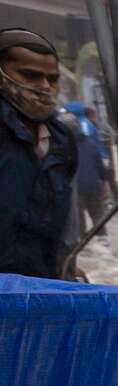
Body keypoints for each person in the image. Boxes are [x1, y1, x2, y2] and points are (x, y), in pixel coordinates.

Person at [0, 28, 76, 280]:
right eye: (30, 75)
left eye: (52, 79)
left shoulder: (62, 139)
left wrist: (66, 269)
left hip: (40, 285)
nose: (44, 87)